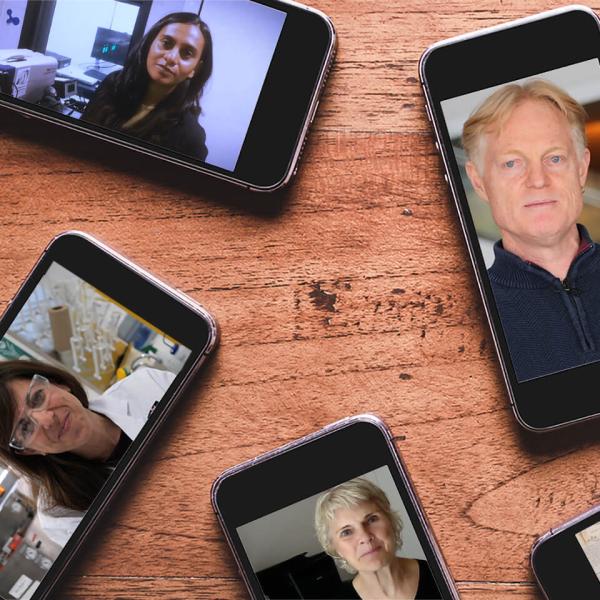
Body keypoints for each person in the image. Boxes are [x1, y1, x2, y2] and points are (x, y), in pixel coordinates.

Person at [463, 79, 600, 381]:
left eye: (554, 158)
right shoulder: (469, 321)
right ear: (479, 181)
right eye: (512, 163)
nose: (538, 180)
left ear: (580, 168)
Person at [0, 360, 175, 547]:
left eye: (37, 398)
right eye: (25, 428)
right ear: (29, 450)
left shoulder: (147, 384)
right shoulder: (62, 516)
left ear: (59, 384)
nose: (48, 420)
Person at [82, 12, 213, 160]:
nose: (171, 58)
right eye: (166, 43)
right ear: (151, 43)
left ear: (195, 69)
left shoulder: (190, 137)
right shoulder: (113, 83)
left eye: (186, 53)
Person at [314, 478, 440, 599]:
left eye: (371, 519)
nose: (365, 537)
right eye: (346, 532)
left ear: (391, 521)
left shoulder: (441, 574)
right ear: (335, 548)